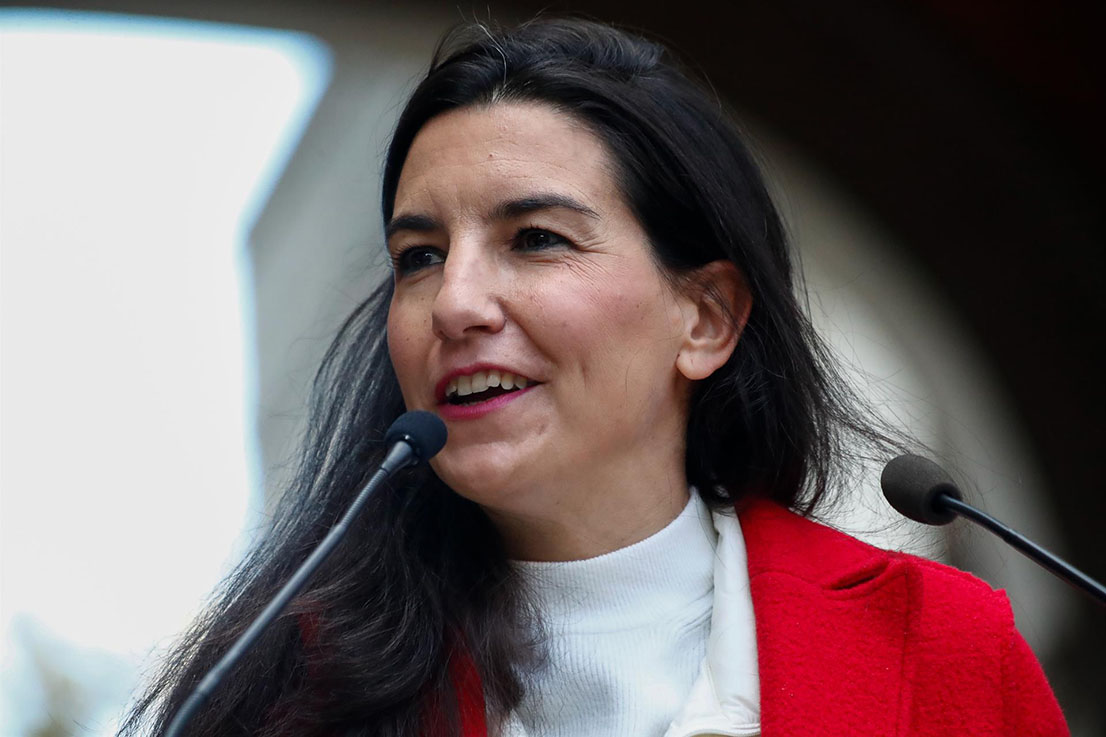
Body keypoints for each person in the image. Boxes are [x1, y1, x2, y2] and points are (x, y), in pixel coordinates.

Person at [121, 17, 1068, 737]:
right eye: (419, 257)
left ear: (706, 318)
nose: (455, 303)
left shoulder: (942, 645)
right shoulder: (285, 692)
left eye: (535, 238)